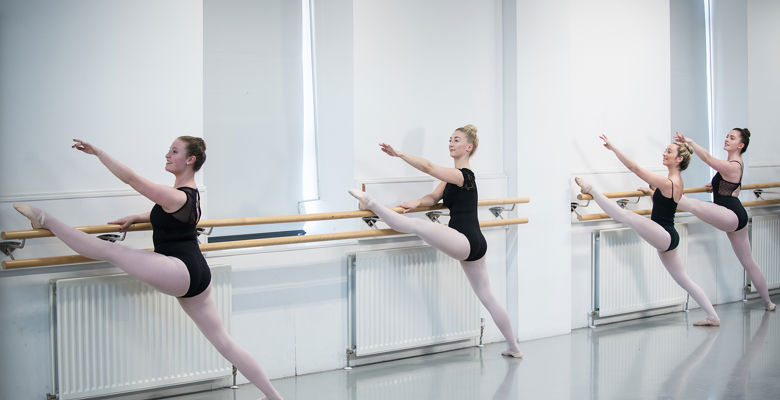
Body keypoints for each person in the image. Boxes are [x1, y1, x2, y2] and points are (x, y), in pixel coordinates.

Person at [14, 137, 282, 400]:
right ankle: (274, 398)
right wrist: (139, 217)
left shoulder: (174, 195)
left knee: (111, 250)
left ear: (190, 160)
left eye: (174, 151)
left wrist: (98, 153)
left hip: (181, 269)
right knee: (225, 343)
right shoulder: (190, 195)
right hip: (198, 274)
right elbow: (169, 214)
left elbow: (131, 179)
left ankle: (44, 218)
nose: (167, 155)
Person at [348, 125, 523, 357]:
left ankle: (371, 202)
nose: (451, 143)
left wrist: (399, 154)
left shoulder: (463, 175)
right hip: (475, 243)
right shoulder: (452, 178)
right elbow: (434, 197)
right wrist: (418, 203)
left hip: (466, 240)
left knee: (417, 225)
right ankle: (514, 347)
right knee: (487, 297)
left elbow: (429, 167)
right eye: (450, 139)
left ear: (468, 147)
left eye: (457, 140)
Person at [575, 134, 720, 326]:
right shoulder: (673, 182)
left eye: (669, 151)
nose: (664, 153)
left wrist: (614, 148)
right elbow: (665, 206)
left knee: (626, 215)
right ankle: (713, 317)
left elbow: (635, 169)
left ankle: (591, 189)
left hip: (665, 234)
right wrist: (652, 194)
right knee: (684, 280)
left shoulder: (669, 183)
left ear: (679, 159)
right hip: (666, 235)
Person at [674, 129, 775, 311]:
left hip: (732, 214)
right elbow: (731, 188)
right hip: (734, 215)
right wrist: (714, 186)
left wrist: (691, 142)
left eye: (732, 138)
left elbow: (708, 159)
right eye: (727, 136)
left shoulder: (734, 165)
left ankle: (660, 193)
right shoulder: (733, 164)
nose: (727, 139)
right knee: (749, 262)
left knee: (694, 205)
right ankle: (768, 303)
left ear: (741, 145)